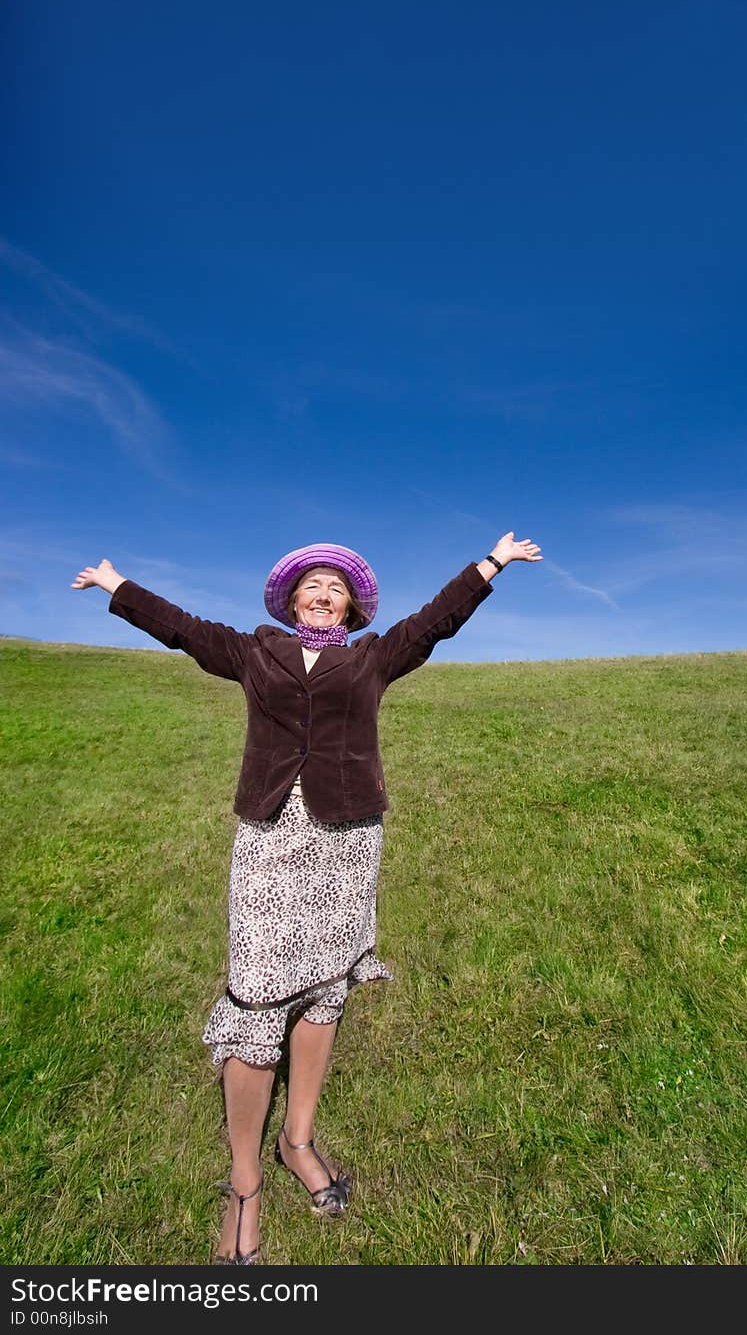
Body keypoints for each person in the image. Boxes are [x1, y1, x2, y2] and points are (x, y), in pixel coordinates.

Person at [71, 532, 542, 1263]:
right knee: (258, 992)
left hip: (347, 839)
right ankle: (245, 1181)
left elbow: (434, 622)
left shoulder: (374, 658)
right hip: (270, 836)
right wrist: (116, 585)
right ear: (292, 600)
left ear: (351, 606)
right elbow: (186, 631)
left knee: (325, 988)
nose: (323, 595)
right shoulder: (256, 652)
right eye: (311, 586)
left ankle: (296, 1140)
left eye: (336, 588)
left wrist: (491, 564)